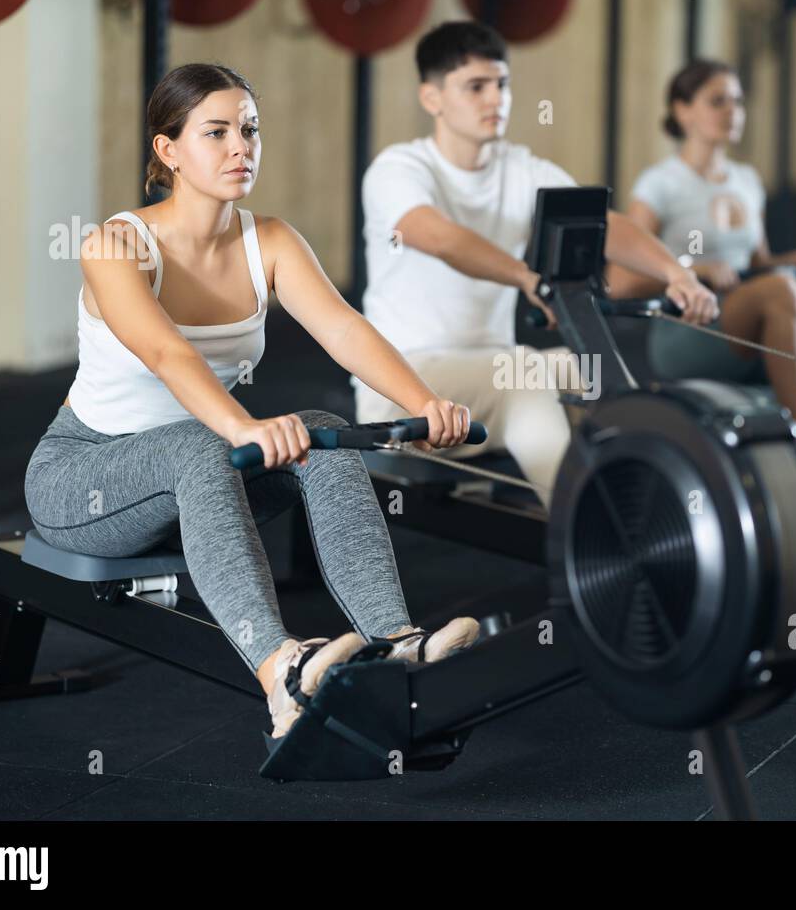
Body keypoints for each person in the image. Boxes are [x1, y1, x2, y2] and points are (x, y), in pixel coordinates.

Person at [24, 64, 481, 743]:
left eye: (249, 130)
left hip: (202, 473)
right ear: (168, 150)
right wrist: (242, 426)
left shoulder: (268, 241)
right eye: (217, 133)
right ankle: (283, 676)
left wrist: (426, 402)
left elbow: (343, 328)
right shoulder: (116, 246)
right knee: (204, 445)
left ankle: (396, 643)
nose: (241, 147)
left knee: (320, 431)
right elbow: (167, 354)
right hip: (83, 481)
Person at [354, 21, 719, 507]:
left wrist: (677, 272)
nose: (495, 100)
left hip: (486, 374)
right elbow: (439, 237)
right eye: (476, 87)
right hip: (403, 382)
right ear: (432, 98)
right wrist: (527, 278)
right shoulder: (397, 169)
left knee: (587, 367)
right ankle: (588, 527)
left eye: (502, 85)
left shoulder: (520, 168)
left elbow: (604, 224)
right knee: (523, 371)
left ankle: (673, 500)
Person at [606, 59, 796, 447]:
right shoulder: (659, 184)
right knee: (778, 291)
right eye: (717, 101)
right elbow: (618, 282)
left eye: (737, 101)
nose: (731, 111)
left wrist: (794, 261)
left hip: (755, 310)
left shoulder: (747, 181)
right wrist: (693, 268)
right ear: (682, 110)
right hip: (690, 328)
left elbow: (756, 266)